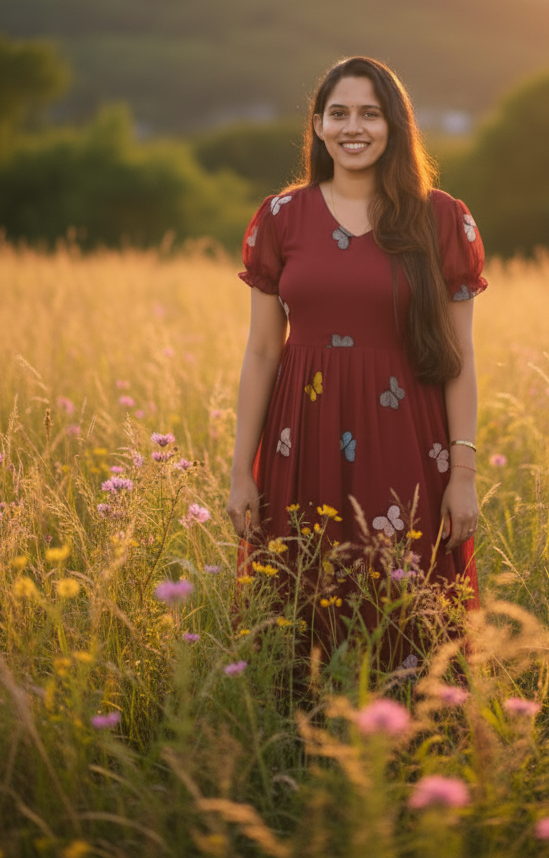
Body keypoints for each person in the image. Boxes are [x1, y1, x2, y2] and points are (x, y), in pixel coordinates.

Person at [226, 56, 487, 660]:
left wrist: (463, 476)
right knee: (300, 599)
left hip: (409, 441)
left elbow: (461, 356)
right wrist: (243, 470)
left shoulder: (442, 219)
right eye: (339, 113)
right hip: (301, 442)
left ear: (395, 125)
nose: (354, 127)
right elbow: (264, 350)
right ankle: (300, 748)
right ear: (317, 125)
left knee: (408, 603)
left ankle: (413, 746)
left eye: (370, 114)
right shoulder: (280, 218)